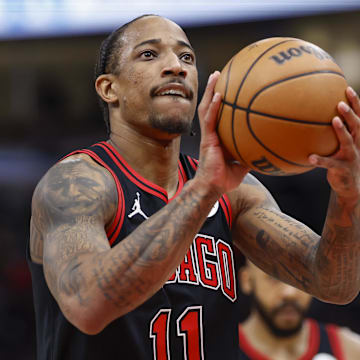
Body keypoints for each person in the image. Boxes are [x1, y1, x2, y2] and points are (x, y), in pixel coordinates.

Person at [27, 14, 360, 359]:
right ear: (110, 88)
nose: (176, 66)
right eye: (149, 54)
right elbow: (89, 306)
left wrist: (348, 196)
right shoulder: (76, 183)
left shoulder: (236, 192)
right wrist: (204, 191)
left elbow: (333, 283)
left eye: (186, 57)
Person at [238, 260, 360, 359]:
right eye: (274, 278)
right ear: (247, 280)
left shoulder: (350, 350)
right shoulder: (222, 348)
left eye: (302, 278)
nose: (290, 292)